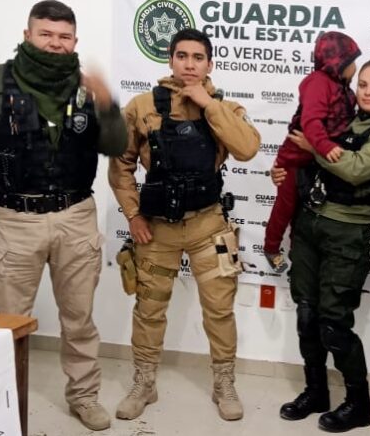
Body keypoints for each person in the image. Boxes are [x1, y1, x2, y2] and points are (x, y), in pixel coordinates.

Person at [0, 0, 127, 431]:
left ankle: (84, 396)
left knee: (79, 320)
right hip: (15, 220)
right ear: (28, 35)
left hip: (76, 217)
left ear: (74, 41)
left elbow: (115, 146)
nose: (55, 43)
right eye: (46, 34)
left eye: (64, 37)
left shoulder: (87, 87)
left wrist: (108, 104)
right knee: (7, 324)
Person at [108, 28, 260, 422]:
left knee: (219, 310)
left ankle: (224, 383)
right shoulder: (143, 106)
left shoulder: (226, 108)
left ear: (210, 64)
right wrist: (133, 215)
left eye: (198, 57)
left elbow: (247, 148)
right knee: (149, 308)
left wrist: (209, 105)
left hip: (209, 226)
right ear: (170, 60)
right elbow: (121, 165)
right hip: (157, 228)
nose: (189, 64)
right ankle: (144, 382)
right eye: (182, 56)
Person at [275, 56, 370, 433]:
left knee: (334, 322)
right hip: (311, 224)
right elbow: (308, 159)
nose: (367, 91)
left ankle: (359, 405)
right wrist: (285, 169)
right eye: (363, 84)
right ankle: (316, 392)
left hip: (351, 232)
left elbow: (355, 169)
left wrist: (313, 147)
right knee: (307, 315)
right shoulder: (344, 120)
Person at [263, 31, 360, 273]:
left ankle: (297, 252)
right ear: (338, 63)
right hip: (294, 158)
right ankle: (271, 247)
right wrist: (325, 146)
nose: (356, 67)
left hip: (315, 162)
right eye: (352, 61)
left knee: (304, 211)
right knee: (286, 207)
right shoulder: (318, 82)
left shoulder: (344, 89)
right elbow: (311, 121)